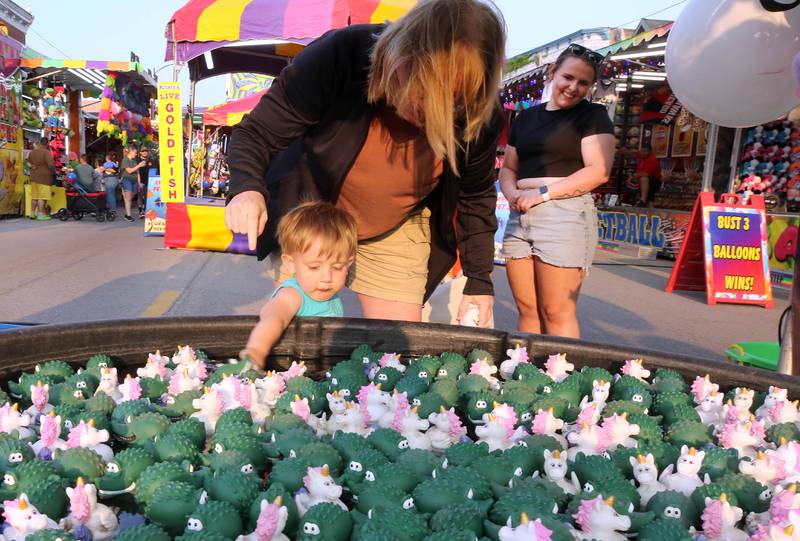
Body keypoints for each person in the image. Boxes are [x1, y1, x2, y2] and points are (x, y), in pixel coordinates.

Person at [225, 0, 506, 327]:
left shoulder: (480, 115)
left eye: (450, 101)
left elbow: (475, 196)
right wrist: (246, 188)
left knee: (394, 351)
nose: (430, 110)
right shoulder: (341, 54)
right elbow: (257, 132)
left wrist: (479, 281)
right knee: (292, 341)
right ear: (401, 55)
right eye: (423, 90)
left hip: (396, 227)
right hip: (315, 215)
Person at [499, 43, 616, 338]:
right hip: (519, 214)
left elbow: (598, 171)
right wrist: (512, 193)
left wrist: (541, 194)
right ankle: (526, 374)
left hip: (565, 213)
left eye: (583, 82)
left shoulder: (593, 116)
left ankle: (563, 378)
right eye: (568, 77)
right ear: (552, 73)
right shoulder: (525, 118)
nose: (573, 87)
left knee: (556, 311)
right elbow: (509, 168)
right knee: (527, 310)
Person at [241, 202, 357, 367]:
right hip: (289, 368)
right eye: (314, 267)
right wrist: (256, 351)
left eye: (338, 267)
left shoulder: (330, 296)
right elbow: (273, 318)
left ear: (348, 263)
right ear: (290, 264)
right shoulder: (292, 295)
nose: (327, 277)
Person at [27, 138, 55, 220]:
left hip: (33, 177)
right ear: (47, 144)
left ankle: (32, 214)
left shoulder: (32, 152)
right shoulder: (46, 152)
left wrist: (32, 166)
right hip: (44, 178)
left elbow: (28, 162)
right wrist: (54, 171)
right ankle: (40, 215)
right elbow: (50, 165)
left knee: (34, 197)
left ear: (40, 143)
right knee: (41, 198)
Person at [120, 146, 147, 222]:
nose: (136, 154)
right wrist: (139, 165)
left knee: (131, 196)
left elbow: (137, 172)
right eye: (135, 153)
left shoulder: (134, 160)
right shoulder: (125, 160)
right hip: (127, 179)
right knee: (128, 198)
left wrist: (139, 183)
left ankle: (127, 211)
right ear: (130, 152)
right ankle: (128, 215)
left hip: (134, 181)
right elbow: (129, 171)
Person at [634, 143, 661, 207]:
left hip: (654, 181)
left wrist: (635, 175)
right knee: (649, 201)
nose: (643, 153)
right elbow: (634, 153)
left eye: (645, 151)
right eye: (641, 151)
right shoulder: (641, 155)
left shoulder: (652, 159)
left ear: (649, 152)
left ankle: (643, 200)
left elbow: (646, 174)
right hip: (644, 181)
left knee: (644, 179)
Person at [136, 148, 155, 218]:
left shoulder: (151, 160)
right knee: (140, 196)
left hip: (149, 181)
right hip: (140, 180)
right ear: (140, 152)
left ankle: (146, 210)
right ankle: (140, 211)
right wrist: (138, 181)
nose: (145, 152)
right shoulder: (137, 160)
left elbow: (154, 169)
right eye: (143, 151)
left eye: (146, 151)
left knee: (148, 196)